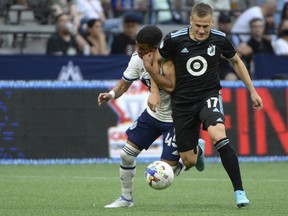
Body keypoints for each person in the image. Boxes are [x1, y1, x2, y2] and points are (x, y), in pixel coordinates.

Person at [143, 3, 263, 208]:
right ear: (190, 20)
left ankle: (239, 192)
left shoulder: (220, 38)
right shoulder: (174, 39)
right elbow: (155, 63)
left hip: (208, 96)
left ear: (212, 22)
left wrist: (252, 91)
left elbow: (236, 62)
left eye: (205, 26)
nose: (201, 30)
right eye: (198, 25)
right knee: (188, 161)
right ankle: (198, 149)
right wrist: (154, 93)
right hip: (182, 103)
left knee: (219, 136)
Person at [98, 25, 205, 208]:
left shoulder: (173, 59)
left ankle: (196, 150)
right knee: (126, 155)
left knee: (164, 173)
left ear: (155, 48)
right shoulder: (137, 59)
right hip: (153, 116)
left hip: (177, 119)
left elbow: (171, 86)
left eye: (142, 49)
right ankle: (126, 199)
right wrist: (111, 94)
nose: (138, 51)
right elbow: (124, 84)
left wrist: (150, 68)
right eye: (137, 47)